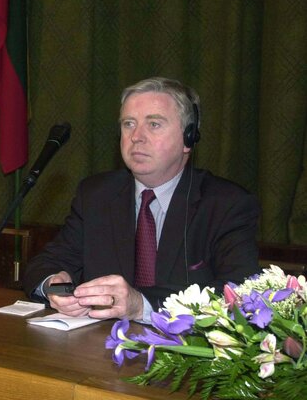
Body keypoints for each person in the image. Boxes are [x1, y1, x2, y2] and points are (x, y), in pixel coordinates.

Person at [22, 77, 260, 322]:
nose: (136, 136)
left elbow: (241, 292)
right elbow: (45, 264)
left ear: (189, 138)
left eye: (154, 124)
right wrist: (55, 287)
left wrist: (141, 306)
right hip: (99, 350)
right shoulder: (96, 195)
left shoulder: (226, 204)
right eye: (128, 124)